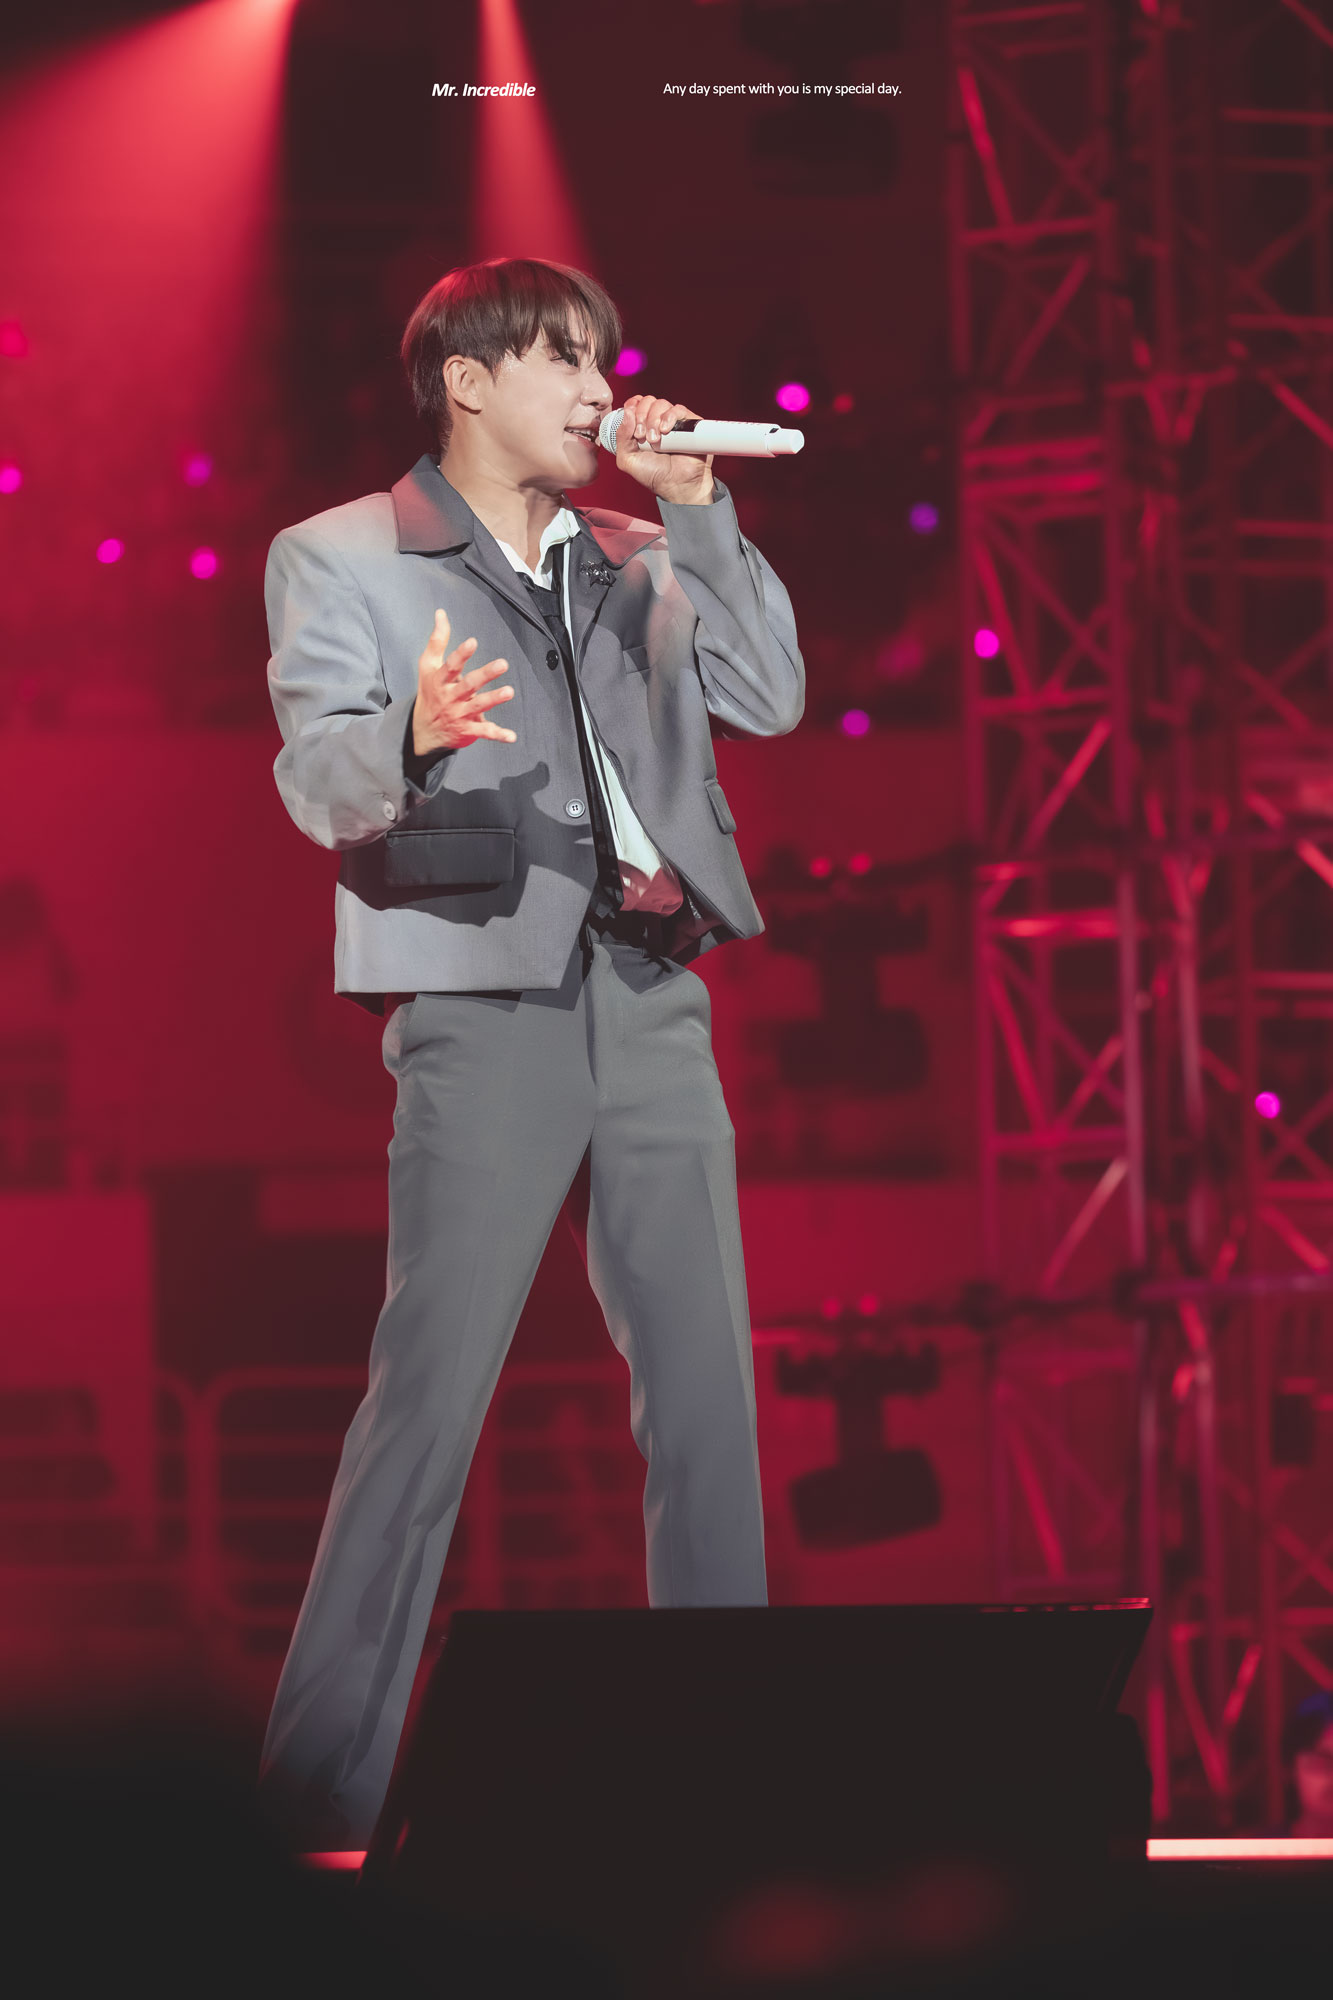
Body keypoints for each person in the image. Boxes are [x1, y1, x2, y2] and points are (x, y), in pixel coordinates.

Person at [257, 256, 804, 1849]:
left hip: (653, 992)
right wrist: (411, 732)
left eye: (602, 362)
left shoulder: (639, 551)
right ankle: (317, 1794)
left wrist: (699, 513)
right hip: (480, 998)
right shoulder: (343, 554)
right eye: (563, 359)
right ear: (466, 380)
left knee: (705, 1403)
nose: (596, 390)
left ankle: (734, 1791)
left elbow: (770, 695)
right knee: (427, 1403)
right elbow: (318, 783)